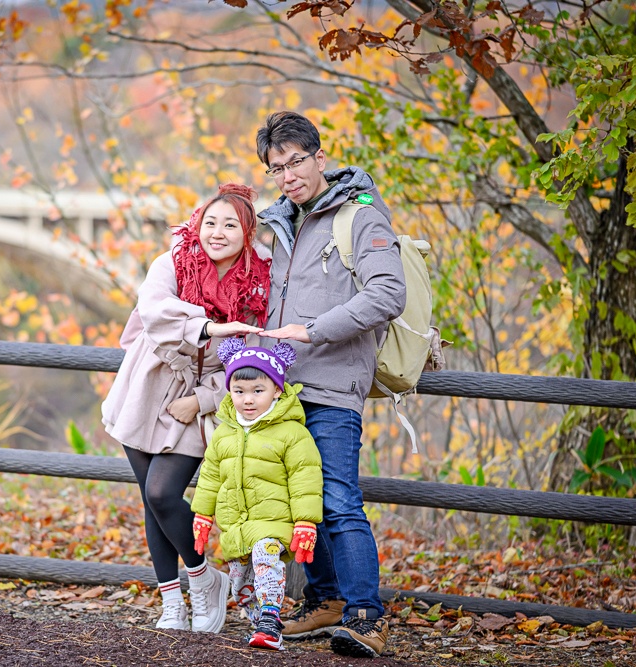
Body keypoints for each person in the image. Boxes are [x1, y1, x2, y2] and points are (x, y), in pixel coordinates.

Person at [254, 111, 407, 658]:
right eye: (278, 167)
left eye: (298, 161)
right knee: (301, 503)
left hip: (332, 386)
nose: (289, 174)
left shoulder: (360, 215)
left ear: (321, 158)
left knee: (339, 500)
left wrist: (313, 331)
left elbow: (389, 293)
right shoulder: (281, 222)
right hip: (280, 390)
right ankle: (325, 601)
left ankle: (368, 614)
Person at [101, 183, 271, 633]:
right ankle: (173, 601)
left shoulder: (260, 285)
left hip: (198, 400)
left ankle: (203, 580)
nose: (217, 232)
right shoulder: (174, 261)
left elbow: (254, 359)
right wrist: (213, 327)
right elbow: (155, 310)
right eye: (210, 222)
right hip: (147, 386)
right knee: (151, 502)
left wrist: (204, 398)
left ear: (247, 231)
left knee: (162, 493)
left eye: (230, 224)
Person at [190, 339, 323, 651]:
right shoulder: (224, 432)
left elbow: (306, 476)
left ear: (277, 389)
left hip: (273, 522)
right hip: (236, 524)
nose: (247, 400)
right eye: (239, 391)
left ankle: (270, 621)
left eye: (257, 391)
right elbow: (210, 476)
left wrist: (306, 521)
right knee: (241, 584)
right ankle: (258, 621)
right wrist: (203, 515)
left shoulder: (292, 433)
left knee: (266, 559)